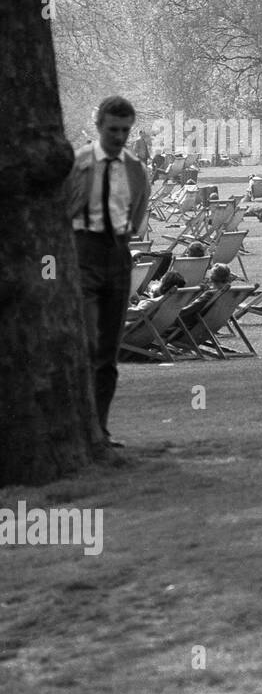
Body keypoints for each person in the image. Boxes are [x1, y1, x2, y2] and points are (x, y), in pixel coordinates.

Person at [65, 95, 149, 448]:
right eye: (113, 129)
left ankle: (100, 429)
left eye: (125, 130)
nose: (119, 136)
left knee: (108, 351)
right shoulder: (78, 162)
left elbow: (139, 213)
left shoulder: (134, 168)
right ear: (98, 126)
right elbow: (61, 208)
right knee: (86, 342)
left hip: (118, 254)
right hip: (83, 250)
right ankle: (76, 428)